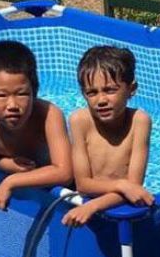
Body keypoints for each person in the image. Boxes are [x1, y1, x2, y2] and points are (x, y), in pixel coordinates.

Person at [0, 40, 73, 210]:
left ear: (34, 93)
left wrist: (11, 181)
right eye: (1, 95)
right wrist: (7, 164)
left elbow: (65, 173)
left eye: (22, 94)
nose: (12, 105)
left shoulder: (49, 115)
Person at [62, 45, 154, 227]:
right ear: (83, 94)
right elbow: (83, 184)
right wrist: (122, 185)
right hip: (87, 206)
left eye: (110, 90)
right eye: (92, 92)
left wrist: (93, 206)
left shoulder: (140, 121)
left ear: (131, 89)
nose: (101, 100)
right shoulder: (79, 121)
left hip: (113, 208)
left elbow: (134, 185)